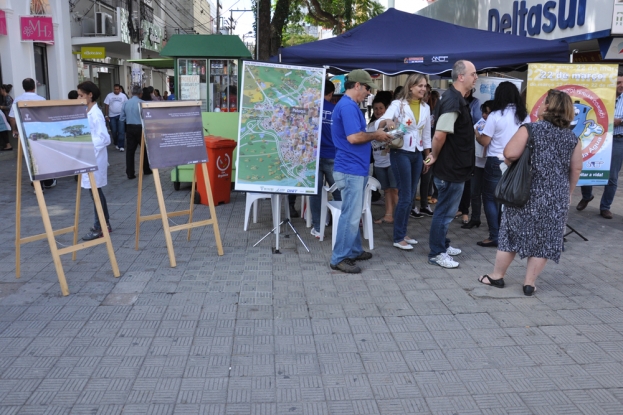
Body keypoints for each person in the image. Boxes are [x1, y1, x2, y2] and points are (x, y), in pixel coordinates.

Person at [478, 89, 583, 296]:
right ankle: (529, 283)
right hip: (556, 197)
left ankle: (497, 276)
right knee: (544, 239)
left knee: (511, 234)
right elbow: (576, 168)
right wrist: (568, 192)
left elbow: (510, 153)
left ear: (547, 107)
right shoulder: (572, 138)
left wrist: (511, 160)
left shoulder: (530, 129)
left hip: (525, 193)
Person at [329, 69, 392, 274]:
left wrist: (377, 129)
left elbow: (358, 134)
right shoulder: (348, 107)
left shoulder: (348, 105)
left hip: (352, 167)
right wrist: (376, 135)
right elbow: (354, 138)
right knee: (351, 215)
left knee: (353, 213)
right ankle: (339, 258)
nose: (368, 93)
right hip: (351, 168)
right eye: (367, 88)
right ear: (357, 85)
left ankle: (354, 250)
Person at [424, 60, 478, 268]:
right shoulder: (453, 101)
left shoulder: (455, 99)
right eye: (473, 74)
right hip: (450, 168)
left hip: (455, 167)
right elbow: (439, 136)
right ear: (461, 76)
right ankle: (437, 253)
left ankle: (442, 245)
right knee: (444, 213)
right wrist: (434, 156)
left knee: (446, 212)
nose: (476, 77)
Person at [376, 74, 432, 250]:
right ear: (410, 87)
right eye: (420, 86)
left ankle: (403, 232)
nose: (423, 89)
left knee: (409, 195)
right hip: (400, 152)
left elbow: (426, 134)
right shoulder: (397, 104)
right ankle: (398, 236)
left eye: (424, 86)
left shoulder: (426, 107)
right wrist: (389, 120)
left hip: (417, 154)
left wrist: (427, 157)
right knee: (406, 194)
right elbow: (380, 121)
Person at [476, 82, 530, 247]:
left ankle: (495, 235)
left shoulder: (495, 115)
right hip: (517, 161)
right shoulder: (524, 116)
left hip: (496, 161)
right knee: (508, 199)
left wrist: (477, 134)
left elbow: (485, 141)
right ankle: (508, 235)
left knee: (490, 198)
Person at [576, 72, 623, 219]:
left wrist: (620, 121)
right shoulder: (600, 98)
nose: (621, 86)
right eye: (618, 82)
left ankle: (605, 207)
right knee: (585, 167)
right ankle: (587, 195)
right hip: (597, 138)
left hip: (617, 139)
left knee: (612, 176)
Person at [77, 81, 113, 241]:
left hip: (95, 157)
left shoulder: (96, 114)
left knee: (95, 192)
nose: (79, 98)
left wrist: (89, 147)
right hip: (90, 156)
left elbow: (105, 138)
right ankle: (104, 223)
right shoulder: (88, 110)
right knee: (95, 191)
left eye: (81, 95)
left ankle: (100, 227)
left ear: (90, 95)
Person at [9, 78, 56, 189]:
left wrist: (14, 130)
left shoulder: (17, 100)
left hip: (25, 132)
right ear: (34, 87)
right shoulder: (41, 99)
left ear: (23, 87)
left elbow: (12, 118)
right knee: (43, 155)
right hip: (41, 131)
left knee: (31, 156)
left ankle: (37, 182)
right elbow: (48, 116)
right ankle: (47, 180)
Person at [310, 79, 341, 238]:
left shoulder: (311, 108)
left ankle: (318, 227)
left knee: (315, 193)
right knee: (338, 192)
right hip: (332, 156)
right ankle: (341, 224)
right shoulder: (336, 110)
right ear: (330, 94)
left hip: (313, 157)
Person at [463, 100, 493, 229]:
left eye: (487, 112)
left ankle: (492, 222)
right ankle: (475, 218)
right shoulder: (479, 123)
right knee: (475, 192)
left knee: (490, 195)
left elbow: (484, 141)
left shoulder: (496, 124)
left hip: (491, 163)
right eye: (483, 112)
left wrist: (477, 134)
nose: (484, 115)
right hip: (477, 162)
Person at [368, 94, 396, 225]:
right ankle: (388, 215)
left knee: (395, 189)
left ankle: (401, 217)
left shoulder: (392, 124)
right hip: (379, 162)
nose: (378, 111)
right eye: (375, 108)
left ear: (387, 109)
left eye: (381, 108)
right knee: (386, 190)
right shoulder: (371, 126)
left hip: (392, 161)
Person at [455, 89, 482, 225]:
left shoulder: (474, 103)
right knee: (456, 178)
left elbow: (478, 121)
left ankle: (465, 211)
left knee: (467, 179)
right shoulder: (452, 100)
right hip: (454, 145)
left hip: (468, 145)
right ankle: (458, 208)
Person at [411, 86, 438, 218]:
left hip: (428, 148)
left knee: (426, 176)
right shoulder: (410, 108)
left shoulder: (430, 110)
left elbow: (429, 133)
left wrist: (429, 154)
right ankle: (411, 206)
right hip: (415, 148)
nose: (425, 97)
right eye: (423, 94)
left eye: (427, 95)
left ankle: (424, 204)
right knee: (415, 178)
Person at [121, 85, 152, 179]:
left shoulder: (126, 103)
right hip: (141, 128)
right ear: (140, 93)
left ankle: (130, 173)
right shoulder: (143, 103)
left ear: (131, 93)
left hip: (130, 127)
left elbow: (122, 118)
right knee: (144, 150)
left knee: (130, 151)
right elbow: (147, 117)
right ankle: (146, 169)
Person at [103, 84, 128, 152]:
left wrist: (126, 114)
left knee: (121, 131)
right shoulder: (109, 95)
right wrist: (106, 115)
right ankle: (116, 142)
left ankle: (121, 145)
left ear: (120, 89)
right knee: (114, 131)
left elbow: (126, 105)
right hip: (112, 116)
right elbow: (106, 105)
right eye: (115, 89)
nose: (116, 91)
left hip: (121, 115)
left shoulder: (123, 96)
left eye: (117, 89)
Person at [0, 84, 14, 151]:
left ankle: (8, 145)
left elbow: (11, 107)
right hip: (7, 117)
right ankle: (7, 145)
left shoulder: (7, 97)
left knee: (3, 130)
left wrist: (2, 107)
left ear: (3, 90)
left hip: (8, 117)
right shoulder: (5, 97)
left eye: (0, 90)